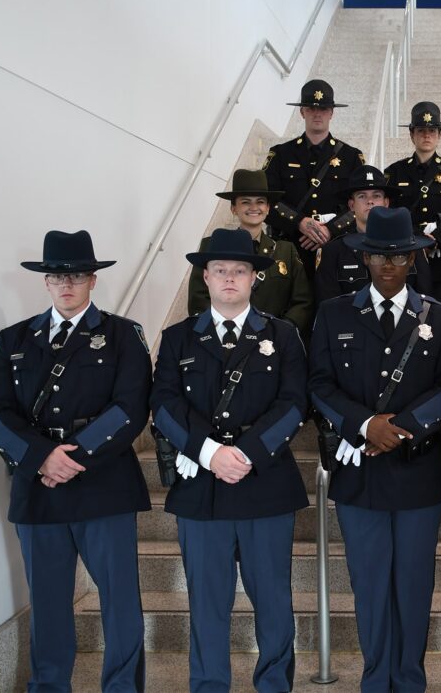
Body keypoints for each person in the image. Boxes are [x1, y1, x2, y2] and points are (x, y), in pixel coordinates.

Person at [0, 230, 150, 691]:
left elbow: (130, 408)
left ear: (93, 281)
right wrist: (41, 458)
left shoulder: (122, 335)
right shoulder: (15, 338)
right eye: (58, 276)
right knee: (49, 601)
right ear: (45, 282)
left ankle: (121, 686)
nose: (67, 284)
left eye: (77, 275)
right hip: (39, 488)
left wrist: (71, 458)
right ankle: (49, 685)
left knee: (120, 600)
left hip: (104, 483)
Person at [308, 207, 441, 692]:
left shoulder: (440, 316)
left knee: (414, 587)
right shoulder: (334, 313)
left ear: (414, 259)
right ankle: (376, 679)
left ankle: (410, 680)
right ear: (365, 258)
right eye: (379, 256)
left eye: (399, 256)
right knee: (370, 586)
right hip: (360, 474)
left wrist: (405, 427)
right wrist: (365, 423)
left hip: (419, 471)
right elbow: (319, 383)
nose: (389, 265)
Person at [150, 228, 308, 692]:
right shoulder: (178, 337)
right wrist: (209, 452)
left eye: (240, 270)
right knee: (207, 602)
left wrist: (246, 452)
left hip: (265, 483)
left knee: (275, 601)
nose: (230, 278)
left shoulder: (282, 335)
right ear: (206, 276)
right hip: (202, 488)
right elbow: (163, 404)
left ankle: (275, 684)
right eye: (220, 270)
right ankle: (209, 685)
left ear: (255, 277)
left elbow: (295, 402)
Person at [187, 168, 314, 338]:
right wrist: (226, 331)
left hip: (274, 342)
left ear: (268, 208)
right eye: (246, 202)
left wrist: (281, 331)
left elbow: (302, 301)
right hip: (226, 339)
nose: (254, 207)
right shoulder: (212, 246)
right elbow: (198, 298)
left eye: (260, 202)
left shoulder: (285, 250)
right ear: (233, 208)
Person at [263, 79, 365, 279]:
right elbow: (267, 201)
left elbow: (362, 204)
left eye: (324, 108)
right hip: (291, 248)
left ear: (332, 113)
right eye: (311, 108)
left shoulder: (352, 157)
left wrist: (330, 230)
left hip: (337, 247)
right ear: (302, 112)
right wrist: (300, 222)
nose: (317, 113)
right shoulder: (280, 155)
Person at [384, 101, 441, 295]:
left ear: (439, 135)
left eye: (432, 131)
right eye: (421, 130)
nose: (426, 135)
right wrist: (417, 238)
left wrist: (439, 238)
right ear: (411, 134)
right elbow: (389, 212)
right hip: (407, 253)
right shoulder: (395, 172)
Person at [314, 165, 432, 303]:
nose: (370, 201)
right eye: (362, 196)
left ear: (386, 202)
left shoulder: (412, 248)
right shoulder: (332, 251)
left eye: (376, 196)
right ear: (351, 205)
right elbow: (328, 307)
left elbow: (426, 303)